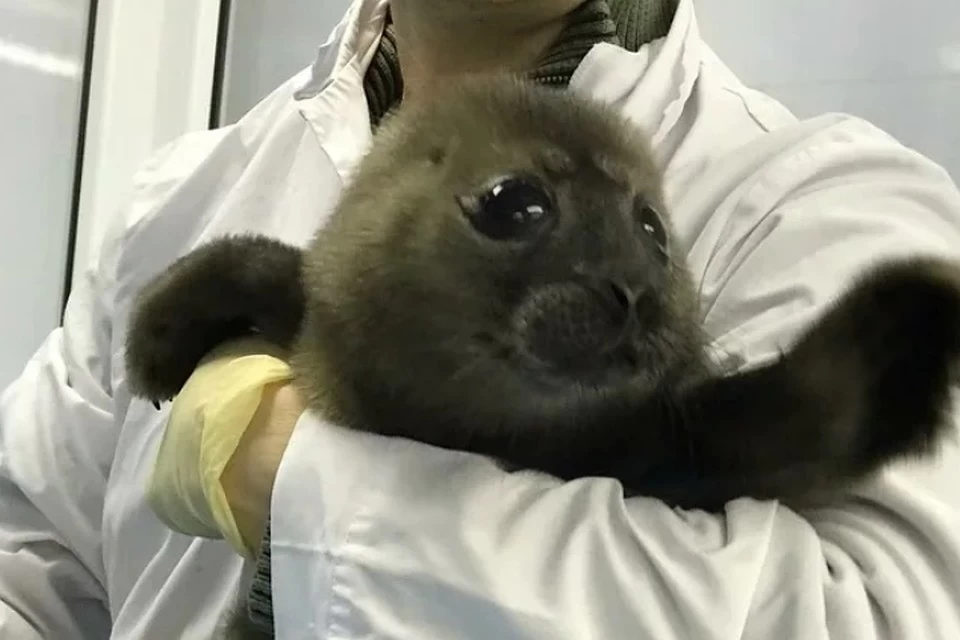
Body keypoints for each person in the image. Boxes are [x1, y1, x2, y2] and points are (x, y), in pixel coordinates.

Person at [2, 0, 960, 637]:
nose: (628, 280)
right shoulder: (184, 187)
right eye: (516, 209)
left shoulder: (834, 207)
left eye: (650, 237)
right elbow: (30, 567)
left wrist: (292, 479)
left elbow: (877, 617)